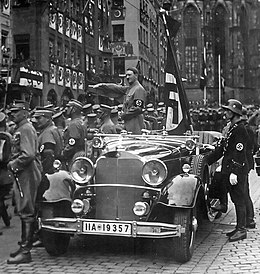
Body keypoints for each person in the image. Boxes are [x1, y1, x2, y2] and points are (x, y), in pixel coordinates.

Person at [207, 99, 249, 242]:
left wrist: (235, 172)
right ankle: (238, 227)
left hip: (235, 171)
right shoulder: (233, 128)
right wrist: (206, 160)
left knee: (239, 200)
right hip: (229, 168)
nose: (225, 113)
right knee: (235, 198)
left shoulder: (240, 129)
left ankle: (241, 229)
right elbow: (223, 149)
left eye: (227, 111)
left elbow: (240, 152)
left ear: (233, 112)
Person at [7, 101, 42, 264]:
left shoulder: (26, 129)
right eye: (11, 111)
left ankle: (26, 251)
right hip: (24, 172)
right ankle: (23, 246)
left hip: (26, 172)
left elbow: (28, 154)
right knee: (23, 208)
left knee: (26, 209)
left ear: (25, 113)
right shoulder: (21, 128)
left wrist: (14, 164)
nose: (12, 114)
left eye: (16, 111)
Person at [93, 67, 147, 134]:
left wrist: (123, 115)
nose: (127, 77)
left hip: (135, 125)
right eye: (126, 75)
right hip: (128, 123)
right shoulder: (129, 89)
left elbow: (138, 109)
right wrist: (103, 86)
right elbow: (116, 88)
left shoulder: (139, 89)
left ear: (136, 76)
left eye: (129, 75)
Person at [0, 112, 13, 233]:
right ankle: (6, 220)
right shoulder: (6, 136)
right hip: (4, 173)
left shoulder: (4, 137)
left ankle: (6, 219)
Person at [62, 99, 85, 168]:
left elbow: (72, 143)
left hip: (74, 156)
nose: (66, 109)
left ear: (74, 109)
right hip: (81, 154)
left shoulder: (74, 124)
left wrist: (63, 154)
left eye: (68, 107)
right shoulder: (81, 122)